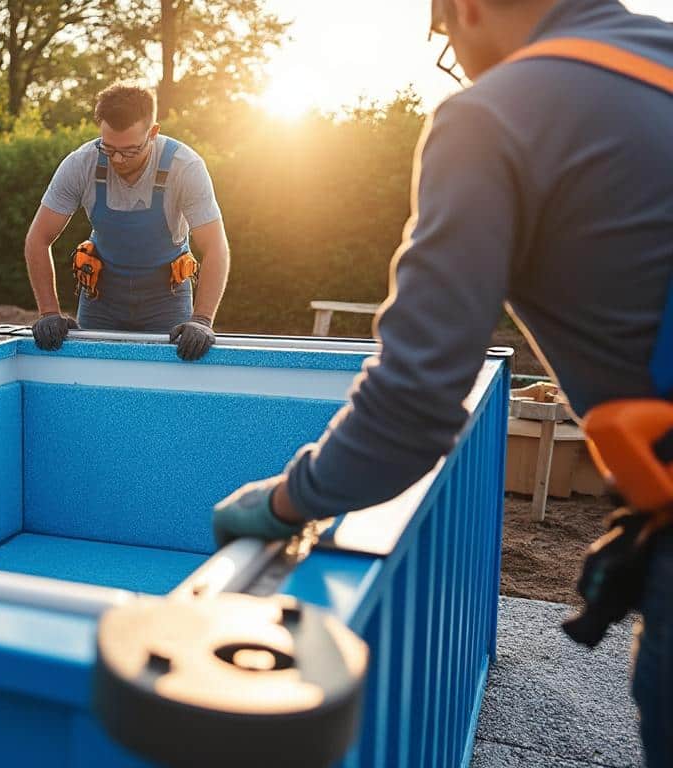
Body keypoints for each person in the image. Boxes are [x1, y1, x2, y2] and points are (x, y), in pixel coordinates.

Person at [209, 0, 673, 763]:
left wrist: (287, 500)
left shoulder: (493, 117)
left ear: (465, 7)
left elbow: (413, 404)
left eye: (445, 40)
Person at [22, 83, 230, 361]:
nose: (118, 159)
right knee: (93, 374)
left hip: (166, 299)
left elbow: (215, 246)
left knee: (168, 376)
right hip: (102, 300)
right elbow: (38, 239)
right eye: (108, 148)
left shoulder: (185, 167)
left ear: (153, 133)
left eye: (131, 150)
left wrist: (202, 319)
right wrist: (49, 312)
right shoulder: (81, 164)